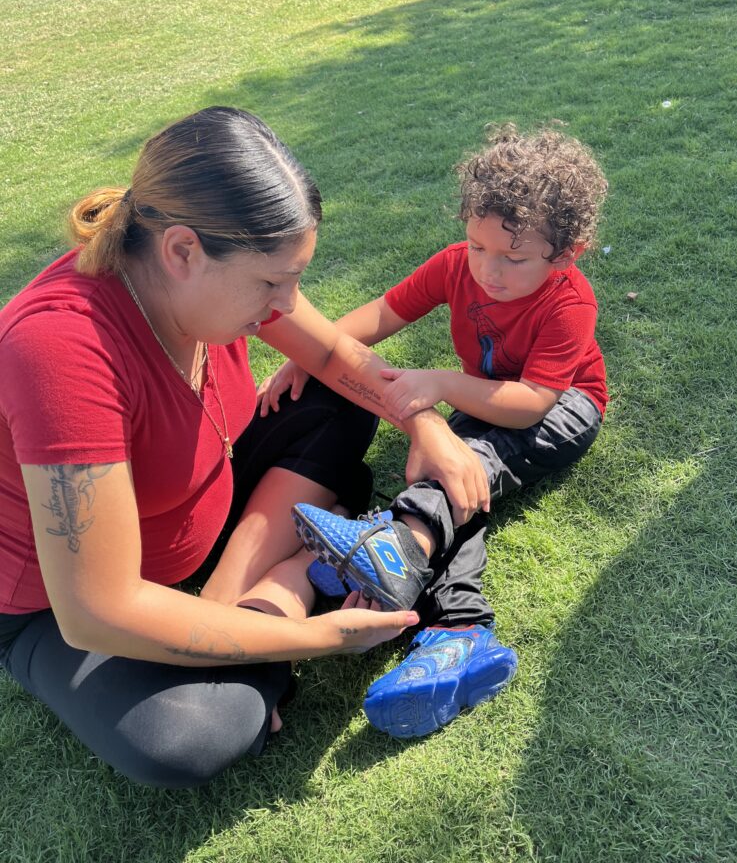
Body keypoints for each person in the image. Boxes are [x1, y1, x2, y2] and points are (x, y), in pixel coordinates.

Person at [0, 107, 487, 787]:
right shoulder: (58, 349)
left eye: (294, 279)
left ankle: (238, 596)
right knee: (186, 737)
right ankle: (297, 575)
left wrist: (425, 424)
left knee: (344, 395)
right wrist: (310, 636)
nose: (287, 304)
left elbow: (335, 355)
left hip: (201, 502)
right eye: (270, 283)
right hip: (54, 608)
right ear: (182, 252)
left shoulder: (208, 281)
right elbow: (96, 609)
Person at [263, 123, 609, 739]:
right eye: (477, 246)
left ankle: (396, 546)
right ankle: (457, 633)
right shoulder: (456, 267)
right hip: (486, 401)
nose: (489, 270)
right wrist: (308, 352)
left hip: (563, 408)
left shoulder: (570, 302)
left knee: (460, 466)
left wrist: (445, 383)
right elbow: (383, 313)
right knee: (455, 476)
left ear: (568, 253)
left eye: (514, 258)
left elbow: (531, 403)